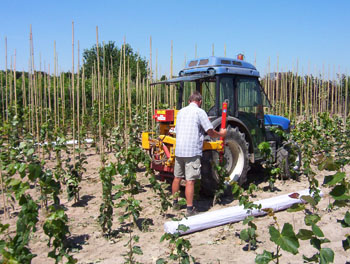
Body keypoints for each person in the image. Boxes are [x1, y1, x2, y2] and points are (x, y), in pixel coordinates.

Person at [172, 91, 227, 216]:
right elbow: (210, 131)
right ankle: (190, 209)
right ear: (200, 102)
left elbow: (177, 130)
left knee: (177, 177)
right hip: (192, 151)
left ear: (189, 101)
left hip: (179, 150)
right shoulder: (200, 112)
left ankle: (175, 203)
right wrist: (221, 134)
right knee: (190, 180)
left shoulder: (181, 112)